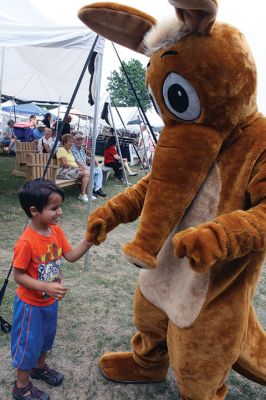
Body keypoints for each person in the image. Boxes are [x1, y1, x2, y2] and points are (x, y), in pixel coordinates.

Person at [11, 179, 92, 400]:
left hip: (49, 302)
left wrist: (88, 241)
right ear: (34, 211)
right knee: (28, 344)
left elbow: (71, 256)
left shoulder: (55, 231)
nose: (60, 213)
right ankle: (21, 386)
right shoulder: (26, 242)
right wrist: (45, 286)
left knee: (45, 340)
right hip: (30, 306)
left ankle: (39, 368)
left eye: (60, 207)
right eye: (54, 208)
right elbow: (19, 276)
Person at [56, 134, 94, 202]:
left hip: (71, 170)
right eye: (70, 142)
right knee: (86, 174)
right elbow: (64, 164)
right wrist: (77, 168)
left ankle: (87, 194)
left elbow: (73, 162)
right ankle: (82, 194)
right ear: (64, 142)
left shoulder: (69, 150)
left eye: (72, 142)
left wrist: (79, 167)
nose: (71, 144)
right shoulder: (61, 150)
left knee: (88, 172)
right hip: (64, 171)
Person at [72, 133, 107, 198]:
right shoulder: (73, 149)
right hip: (78, 167)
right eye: (78, 140)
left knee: (99, 170)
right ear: (74, 141)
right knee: (91, 171)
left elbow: (86, 158)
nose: (80, 141)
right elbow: (76, 160)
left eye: (81, 140)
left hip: (84, 166)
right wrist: (85, 167)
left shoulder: (81, 149)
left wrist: (94, 160)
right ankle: (90, 190)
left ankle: (97, 189)